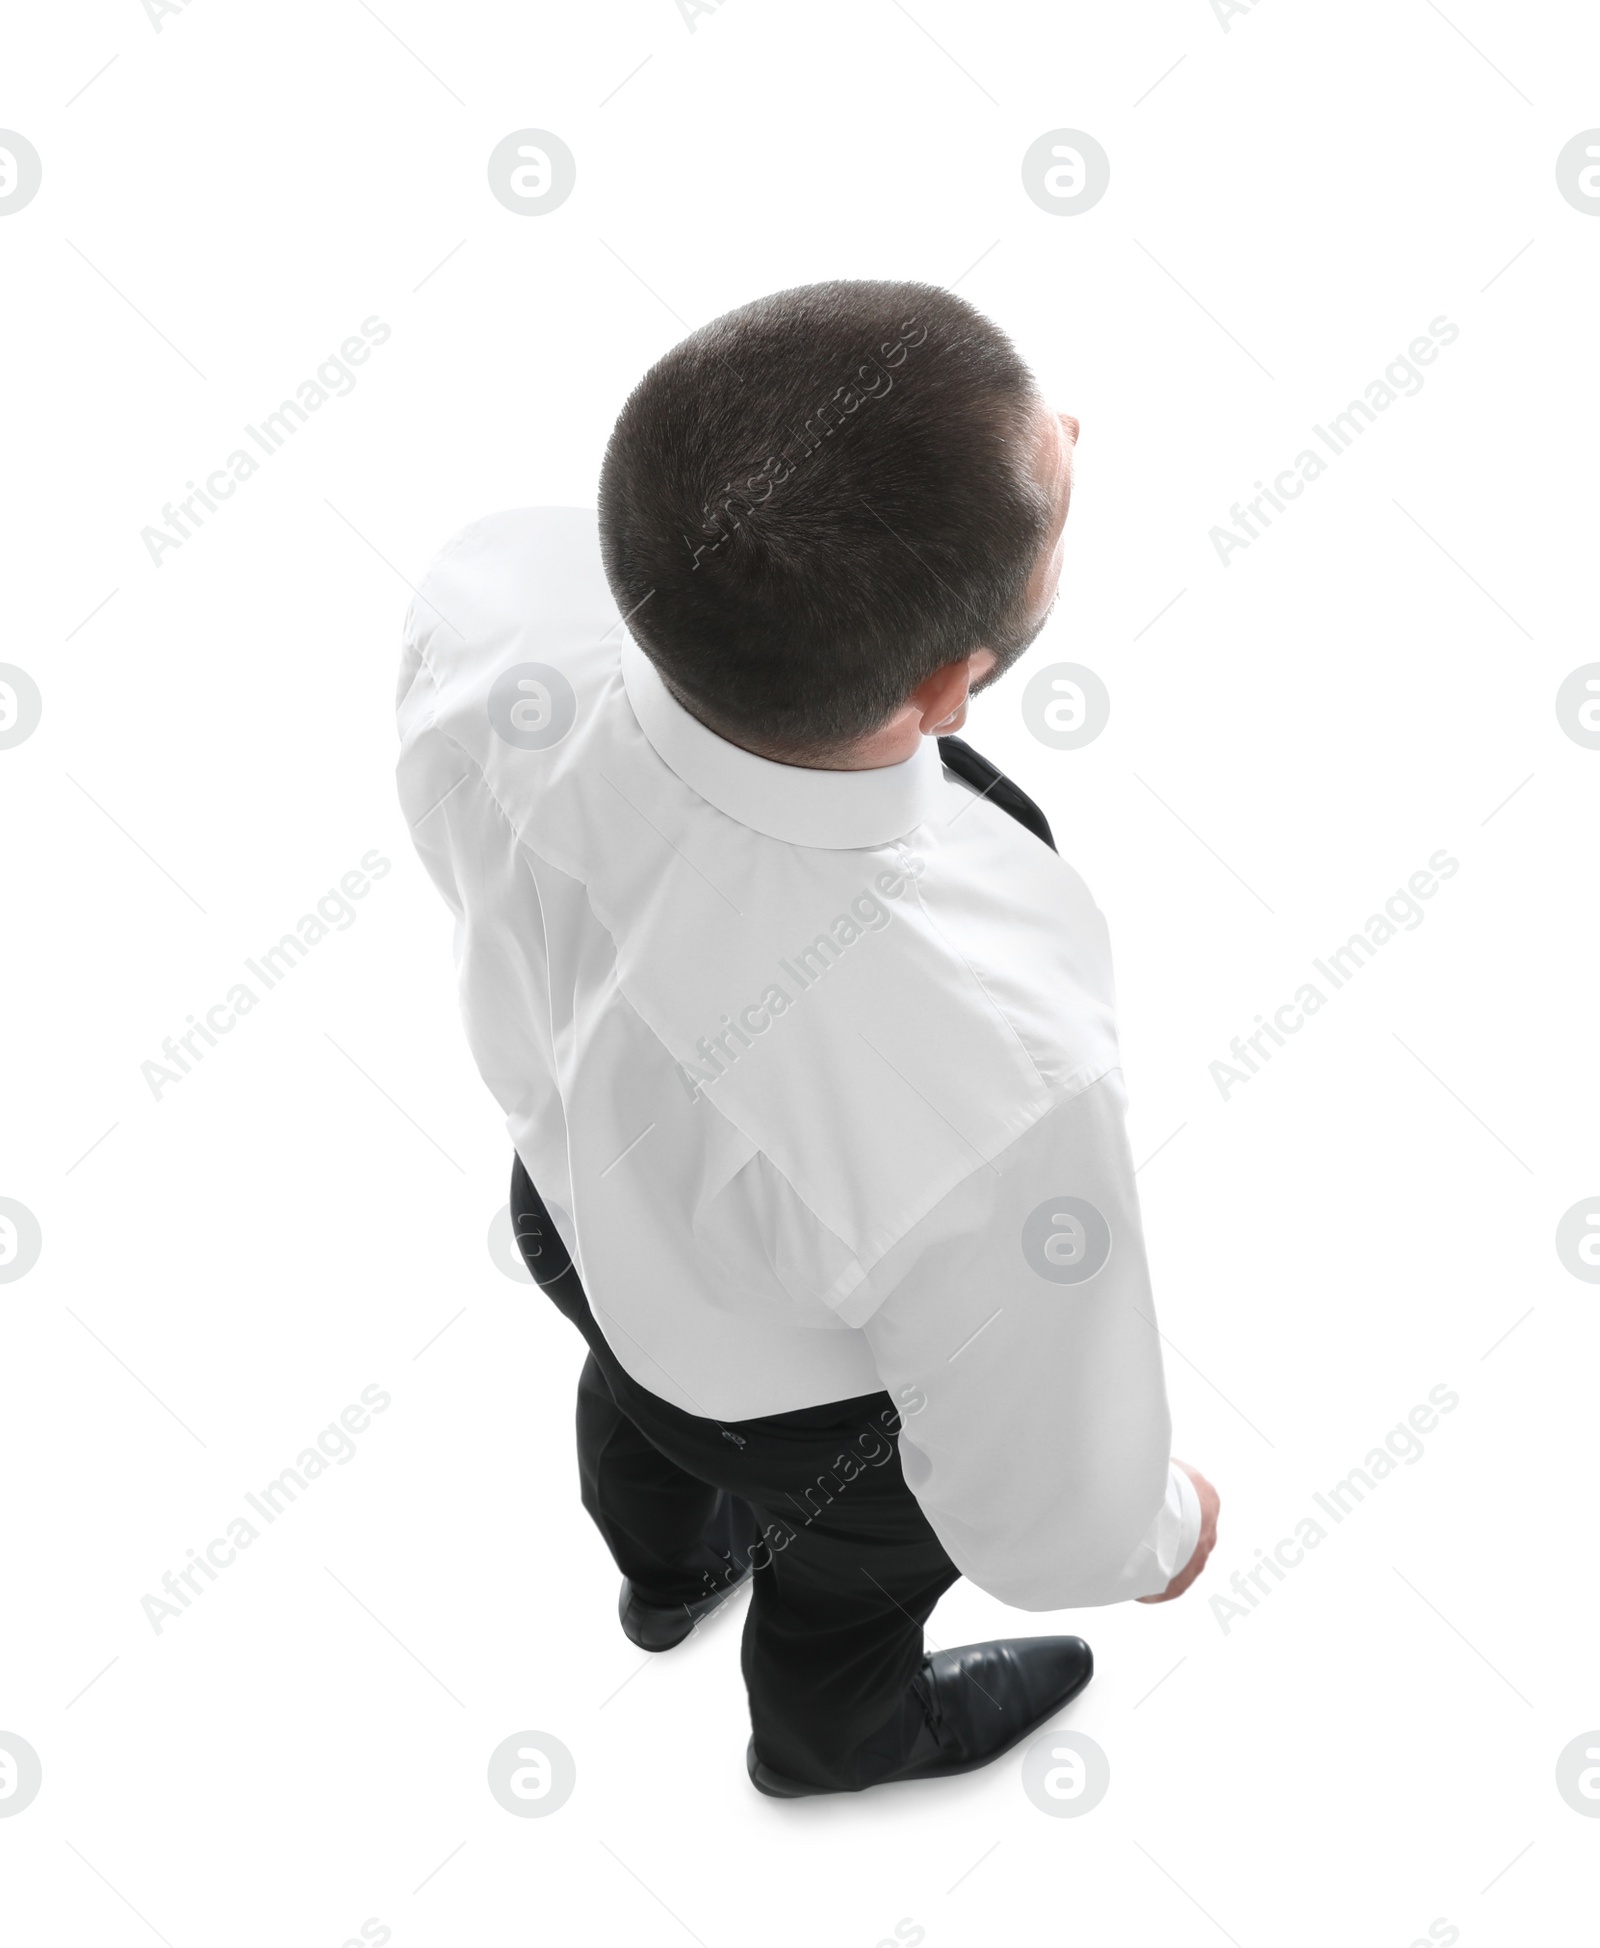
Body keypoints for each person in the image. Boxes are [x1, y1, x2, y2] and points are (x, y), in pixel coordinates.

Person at [395, 279, 1220, 1798]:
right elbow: (1043, 1471)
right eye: (1057, 477)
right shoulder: (993, 1050)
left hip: (568, 1197)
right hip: (809, 1411)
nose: (1079, 434)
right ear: (939, 693)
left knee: (632, 1395)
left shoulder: (498, 597)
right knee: (850, 1577)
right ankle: (834, 1743)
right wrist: (1156, 1533)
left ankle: (663, 1581)